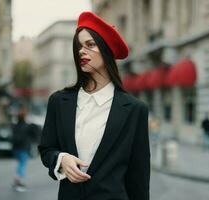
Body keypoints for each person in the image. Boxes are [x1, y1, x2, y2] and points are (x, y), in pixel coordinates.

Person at [39, 11, 150, 200]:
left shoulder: (134, 109)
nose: (81, 51)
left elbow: (138, 176)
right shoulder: (59, 101)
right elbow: (46, 149)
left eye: (90, 45)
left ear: (107, 50)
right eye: (79, 46)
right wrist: (61, 159)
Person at [11, 106, 33, 192]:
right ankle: (18, 180)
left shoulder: (15, 126)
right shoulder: (27, 126)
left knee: (20, 163)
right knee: (22, 164)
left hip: (16, 148)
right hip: (23, 148)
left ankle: (17, 179)